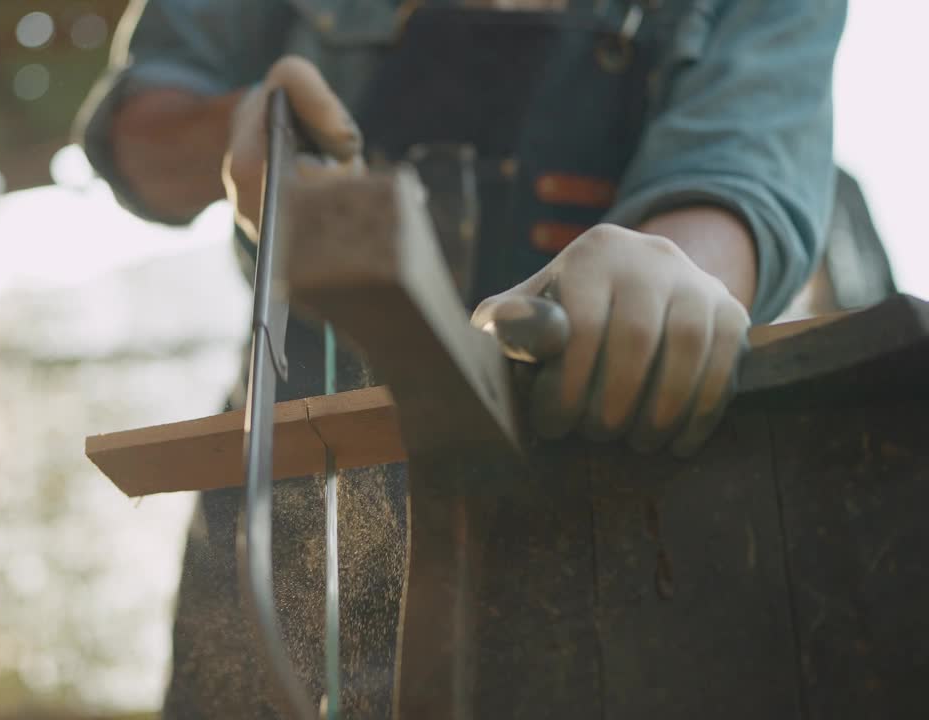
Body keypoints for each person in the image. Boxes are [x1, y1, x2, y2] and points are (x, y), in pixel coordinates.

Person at [75, 1, 847, 716]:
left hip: (602, 461)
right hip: (293, 454)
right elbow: (138, 128)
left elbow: (747, 162)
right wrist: (240, 127)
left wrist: (670, 272)